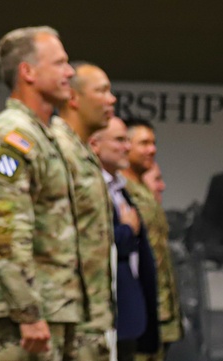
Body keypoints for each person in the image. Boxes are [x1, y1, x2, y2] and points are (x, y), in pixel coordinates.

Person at [0, 26, 85, 361]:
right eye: (60, 63)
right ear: (27, 72)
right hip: (19, 318)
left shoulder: (44, 134)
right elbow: (5, 232)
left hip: (49, 307)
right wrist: (28, 311)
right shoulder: (13, 136)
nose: (70, 72)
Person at [51, 63, 116, 361]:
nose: (112, 99)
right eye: (102, 90)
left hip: (87, 316)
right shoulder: (56, 148)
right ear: (74, 99)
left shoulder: (83, 153)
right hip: (63, 317)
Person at [89, 117, 158, 361]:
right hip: (101, 316)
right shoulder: (89, 187)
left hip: (127, 314)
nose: (127, 147)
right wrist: (127, 232)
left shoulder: (120, 189)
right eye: (120, 140)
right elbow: (90, 243)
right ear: (94, 144)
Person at [120, 119, 182, 361]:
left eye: (153, 143)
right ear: (126, 146)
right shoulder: (120, 190)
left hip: (160, 308)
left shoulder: (144, 191)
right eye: (144, 143)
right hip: (140, 310)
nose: (152, 149)